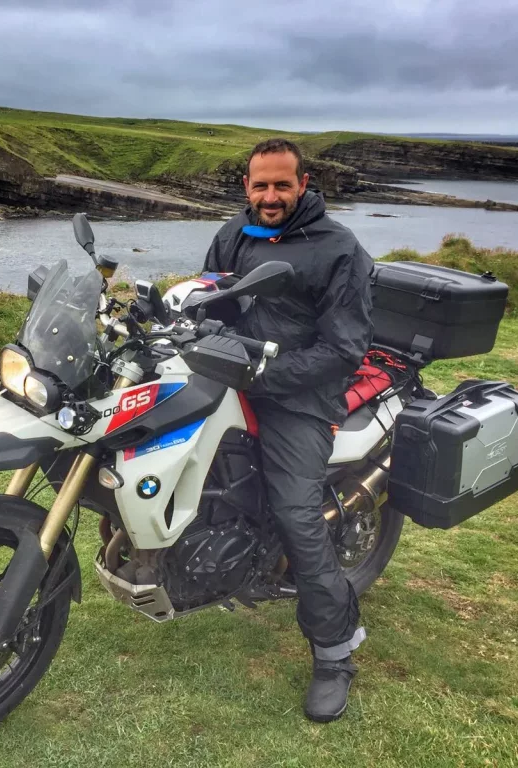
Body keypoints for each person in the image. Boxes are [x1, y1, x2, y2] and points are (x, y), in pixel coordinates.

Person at [202, 138, 374, 722]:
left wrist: (267, 376)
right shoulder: (235, 233)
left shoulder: (338, 249)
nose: (270, 196)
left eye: (282, 185)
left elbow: (344, 349)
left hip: (300, 396)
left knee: (297, 516)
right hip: (230, 373)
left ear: (303, 184)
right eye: (260, 185)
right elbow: (212, 299)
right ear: (246, 186)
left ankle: (334, 652)